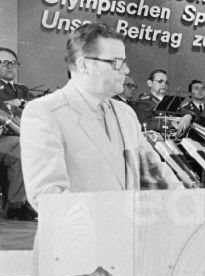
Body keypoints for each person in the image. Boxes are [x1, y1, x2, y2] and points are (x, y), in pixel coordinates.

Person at [20, 23, 180, 204]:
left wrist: (187, 201)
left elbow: (154, 172)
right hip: (82, 231)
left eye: (125, 62)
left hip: (123, 229)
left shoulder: (125, 113)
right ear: (84, 65)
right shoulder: (45, 112)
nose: (126, 71)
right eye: (117, 62)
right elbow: (48, 197)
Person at [0, 46, 35, 220]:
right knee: (21, 147)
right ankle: (17, 204)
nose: (10, 66)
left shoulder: (23, 90)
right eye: (4, 62)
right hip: (4, 137)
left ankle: (32, 200)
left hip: (17, 135)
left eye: (13, 63)